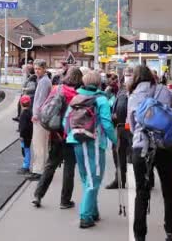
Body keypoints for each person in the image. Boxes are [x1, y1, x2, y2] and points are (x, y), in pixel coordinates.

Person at [128, 65, 172, 241]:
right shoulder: (164, 90)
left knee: (141, 192)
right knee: (168, 190)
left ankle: (140, 235)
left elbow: (133, 125)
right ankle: (170, 230)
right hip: (165, 146)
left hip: (141, 147)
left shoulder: (133, 96)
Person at [65, 71, 117, 229]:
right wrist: (115, 141)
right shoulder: (101, 99)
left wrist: (71, 135)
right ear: (99, 83)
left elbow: (65, 121)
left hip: (76, 141)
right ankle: (86, 216)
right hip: (93, 142)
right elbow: (107, 124)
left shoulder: (76, 98)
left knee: (86, 178)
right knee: (94, 178)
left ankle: (93, 211)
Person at [31, 67, 83, 209]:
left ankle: (38, 195)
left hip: (55, 134)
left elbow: (44, 109)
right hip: (70, 136)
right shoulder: (76, 94)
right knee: (69, 169)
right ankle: (65, 201)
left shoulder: (57, 89)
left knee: (50, 166)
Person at [30, 59, 53, 181]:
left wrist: (36, 114)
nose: (36, 71)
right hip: (41, 117)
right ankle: (38, 169)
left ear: (44, 69)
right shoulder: (43, 80)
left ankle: (39, 171)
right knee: (39, 144)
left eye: (39, 68)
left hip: (40, 118)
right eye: (35, 69)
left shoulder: (44, 82)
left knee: (39, 144)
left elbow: (41, 100)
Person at [106, 74, 130, 189]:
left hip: (123, 127)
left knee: (119, 153)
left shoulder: (123, 94)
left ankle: (120, 180)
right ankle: (148, 180)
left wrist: (113, 118)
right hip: (136, 128)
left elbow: (120, 111)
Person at [18, 95, 34, 175]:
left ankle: (26, 167)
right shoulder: (30, 112)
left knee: (25, 150)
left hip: (24, 136)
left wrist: (21, 135)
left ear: (21, 103)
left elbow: (23, 126)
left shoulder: (23, 114)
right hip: (29, 134)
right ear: (30, 103)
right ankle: (26, 165)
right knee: (26, 150)